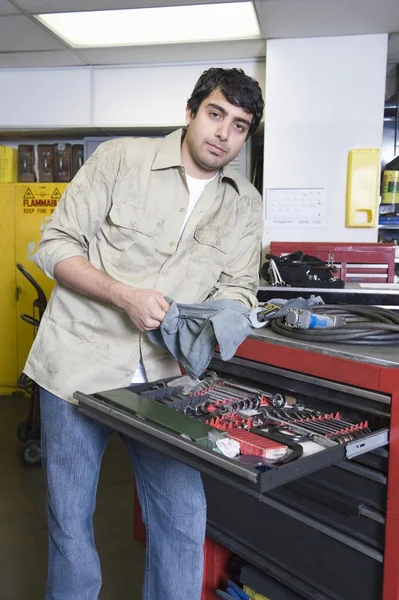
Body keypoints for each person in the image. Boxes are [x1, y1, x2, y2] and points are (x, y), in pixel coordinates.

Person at [24, 67, 264, 600]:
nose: (224, 133)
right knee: (69, 519)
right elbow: (56, 246)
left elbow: (241, 289)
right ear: (191, 112)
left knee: (182, 517)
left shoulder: (244, 203)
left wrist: (221, 319)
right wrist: (124, 295)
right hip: (75, 367)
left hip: (161, 380)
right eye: (216, 114)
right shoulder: (120, 160)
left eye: (240, 125)